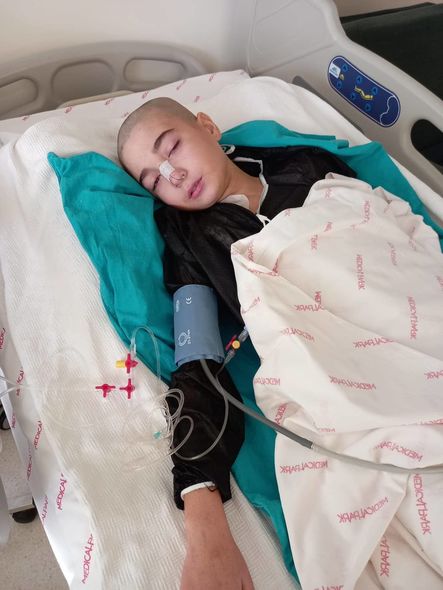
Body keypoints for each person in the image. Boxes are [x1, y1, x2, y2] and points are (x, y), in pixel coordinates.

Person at [117, 98, 355, 589]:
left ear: (207, 126)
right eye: (155, 180)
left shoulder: (309, 167)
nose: (174, 176)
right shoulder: (190, 241)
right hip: (338, 368)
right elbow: (198, 361)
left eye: (172, 148)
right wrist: (206, 526)